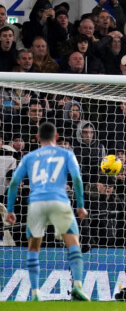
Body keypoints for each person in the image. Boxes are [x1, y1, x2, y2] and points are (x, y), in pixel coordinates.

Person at [3, 122, 89, 301]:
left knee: (34, 248)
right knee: (73, 243)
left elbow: (13, 183)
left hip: (36, 204)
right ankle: (78, 285)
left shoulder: (29, 157)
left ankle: (35, 292)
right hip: (59, 201)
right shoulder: (66, 154)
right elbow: (77, 179)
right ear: (56, 137)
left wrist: (10, 210)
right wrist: (80, 205)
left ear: (37, 138)